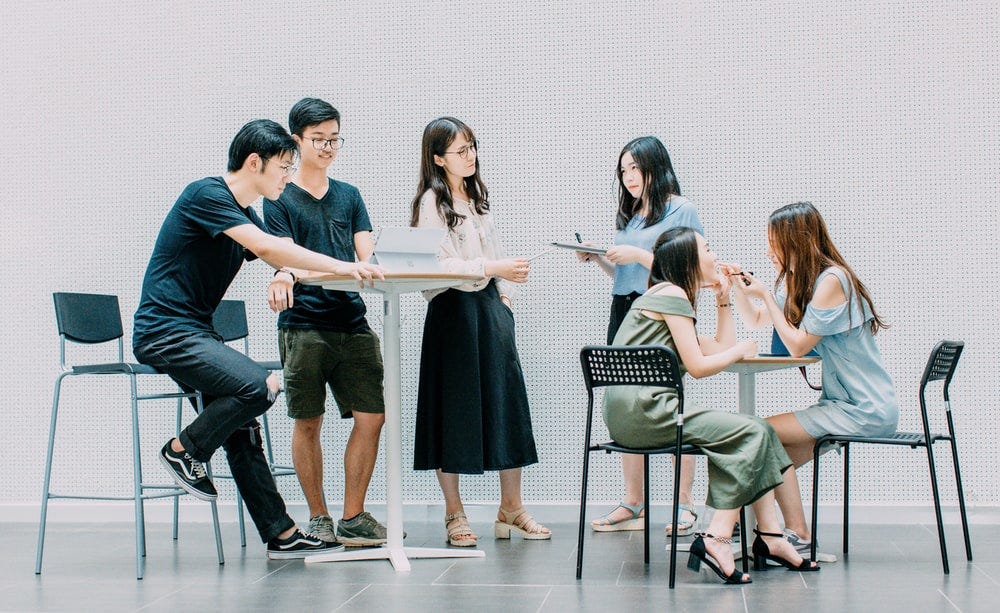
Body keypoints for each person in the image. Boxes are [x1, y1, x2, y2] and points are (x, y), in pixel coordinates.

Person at [132, 119, 384, 560]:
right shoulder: (206, 195)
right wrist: (343, 266)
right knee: (258, 385)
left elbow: (283, 254)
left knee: (243, 430)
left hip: (195, 331)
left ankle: (281, 533)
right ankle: (182, 450)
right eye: (284, 167)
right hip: (164, 330)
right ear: (255, 163)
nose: (289, 178)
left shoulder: (244, 214)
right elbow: (270, 250)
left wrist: (320, 268)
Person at [603, 226, 819, 583]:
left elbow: (718, 346)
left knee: (757, 432)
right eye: (707, 248)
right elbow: (704, 367)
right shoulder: (672, 294)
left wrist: (723, 299)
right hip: (650, 414)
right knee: (754, 431)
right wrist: (743, 348)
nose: (715, 255)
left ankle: (770, 536)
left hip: (631, 415)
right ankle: (718, 538)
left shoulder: (662, 297)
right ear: (688, 259)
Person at [409, 116, 550, 547]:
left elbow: (497, 254)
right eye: (460, 150)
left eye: (472, 147)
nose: (470, 156)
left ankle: (512, 509)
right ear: (437, 158)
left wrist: (504, 299)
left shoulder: (476, 197)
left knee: (506, 406)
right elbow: (436, 267)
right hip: (452, 314)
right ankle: (455, 513)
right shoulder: (430, 204)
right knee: (452, 411)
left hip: (489, 309)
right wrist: (492, 270)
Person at [733, 201, 898, 561]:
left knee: (761, 432)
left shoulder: (832, 280)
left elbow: (797, 344)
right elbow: (760, 320)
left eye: (774, 242)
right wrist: (740, 292)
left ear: (796, 240)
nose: (768, 250)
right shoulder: (803, 281)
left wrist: (764, 294)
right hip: (841, 404)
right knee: (772, 453)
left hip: (864, 408)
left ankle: (785, 532)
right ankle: (787, 534)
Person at [263, 98, 388, 546]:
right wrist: (290, 272)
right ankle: (318, 516)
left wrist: (371, 261)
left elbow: (364, 254)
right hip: (304, 326)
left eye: (335, 139)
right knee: (308, 421)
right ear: (296, 141)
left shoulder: (350, 195)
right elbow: (283, 256)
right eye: (319, 140)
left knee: (372, 416)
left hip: (353, 323)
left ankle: (353, 516)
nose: (329, 147)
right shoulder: (278, 198)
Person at [577, 136, 703, 536]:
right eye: (624, 169)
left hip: (665, 310)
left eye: (635, 168)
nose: (629, 177)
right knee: (624, 402)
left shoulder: (682, 210)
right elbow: (625, 276)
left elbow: (688, 268)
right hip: (626, 309)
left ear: (655, 166)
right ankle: (634, 501)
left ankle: (684, 505)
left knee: (669, 401)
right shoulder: (630, 216)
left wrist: (637, 255)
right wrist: (599, 257)